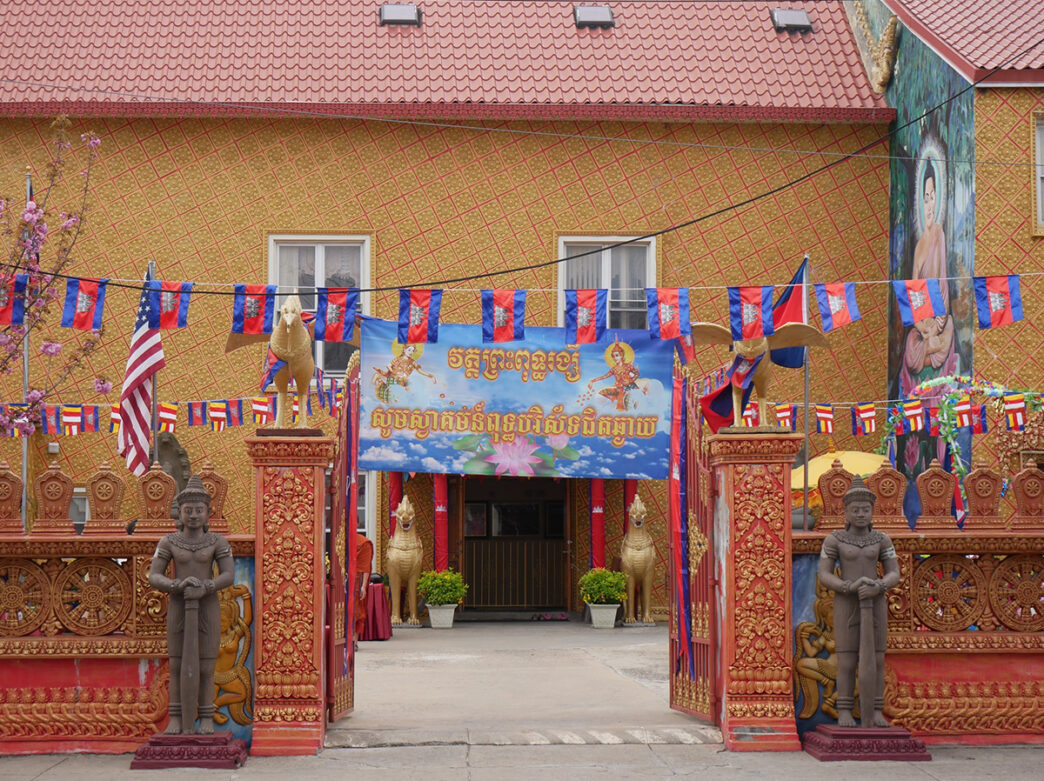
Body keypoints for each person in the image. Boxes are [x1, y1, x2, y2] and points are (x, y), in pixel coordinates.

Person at [148, 474, 234, 734]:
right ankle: (176, 718)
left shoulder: (218, 541)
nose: (194, 515)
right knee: (175, 664)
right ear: (179, 513)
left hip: (207, 606)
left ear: (209, 513)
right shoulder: (169, 542)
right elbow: (154, 575)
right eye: (188, 510)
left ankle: (206, 718)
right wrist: (176, 586)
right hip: (179, 604)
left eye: (199, 510)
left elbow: (228, 575)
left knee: (207, 665)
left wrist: (206, 587)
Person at [816, 476, 900, 728]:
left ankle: (875, 710)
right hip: (846, 603)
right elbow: (824, 574)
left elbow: (894, 572)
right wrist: (846, 586)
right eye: (855, 510)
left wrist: (880, 585)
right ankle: (844, 710)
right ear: (846, 512)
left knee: (876, 658)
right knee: (847, 659)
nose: (861, 514)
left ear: (872, 512)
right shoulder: (835, 540)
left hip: (875, 601)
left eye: (865, 510)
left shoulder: (882, 539)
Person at [587, 340, 648, 411]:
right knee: (601, 393)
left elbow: (636, 375)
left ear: (621, 355)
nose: (615, 358)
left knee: (629, 402)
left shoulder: (628, 366)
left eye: (617, 355)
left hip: (630, 388)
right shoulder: (614, 369)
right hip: (619, 389)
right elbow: (604, 376)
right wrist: (592, 381)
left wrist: (629, 381)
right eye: (613, 356)